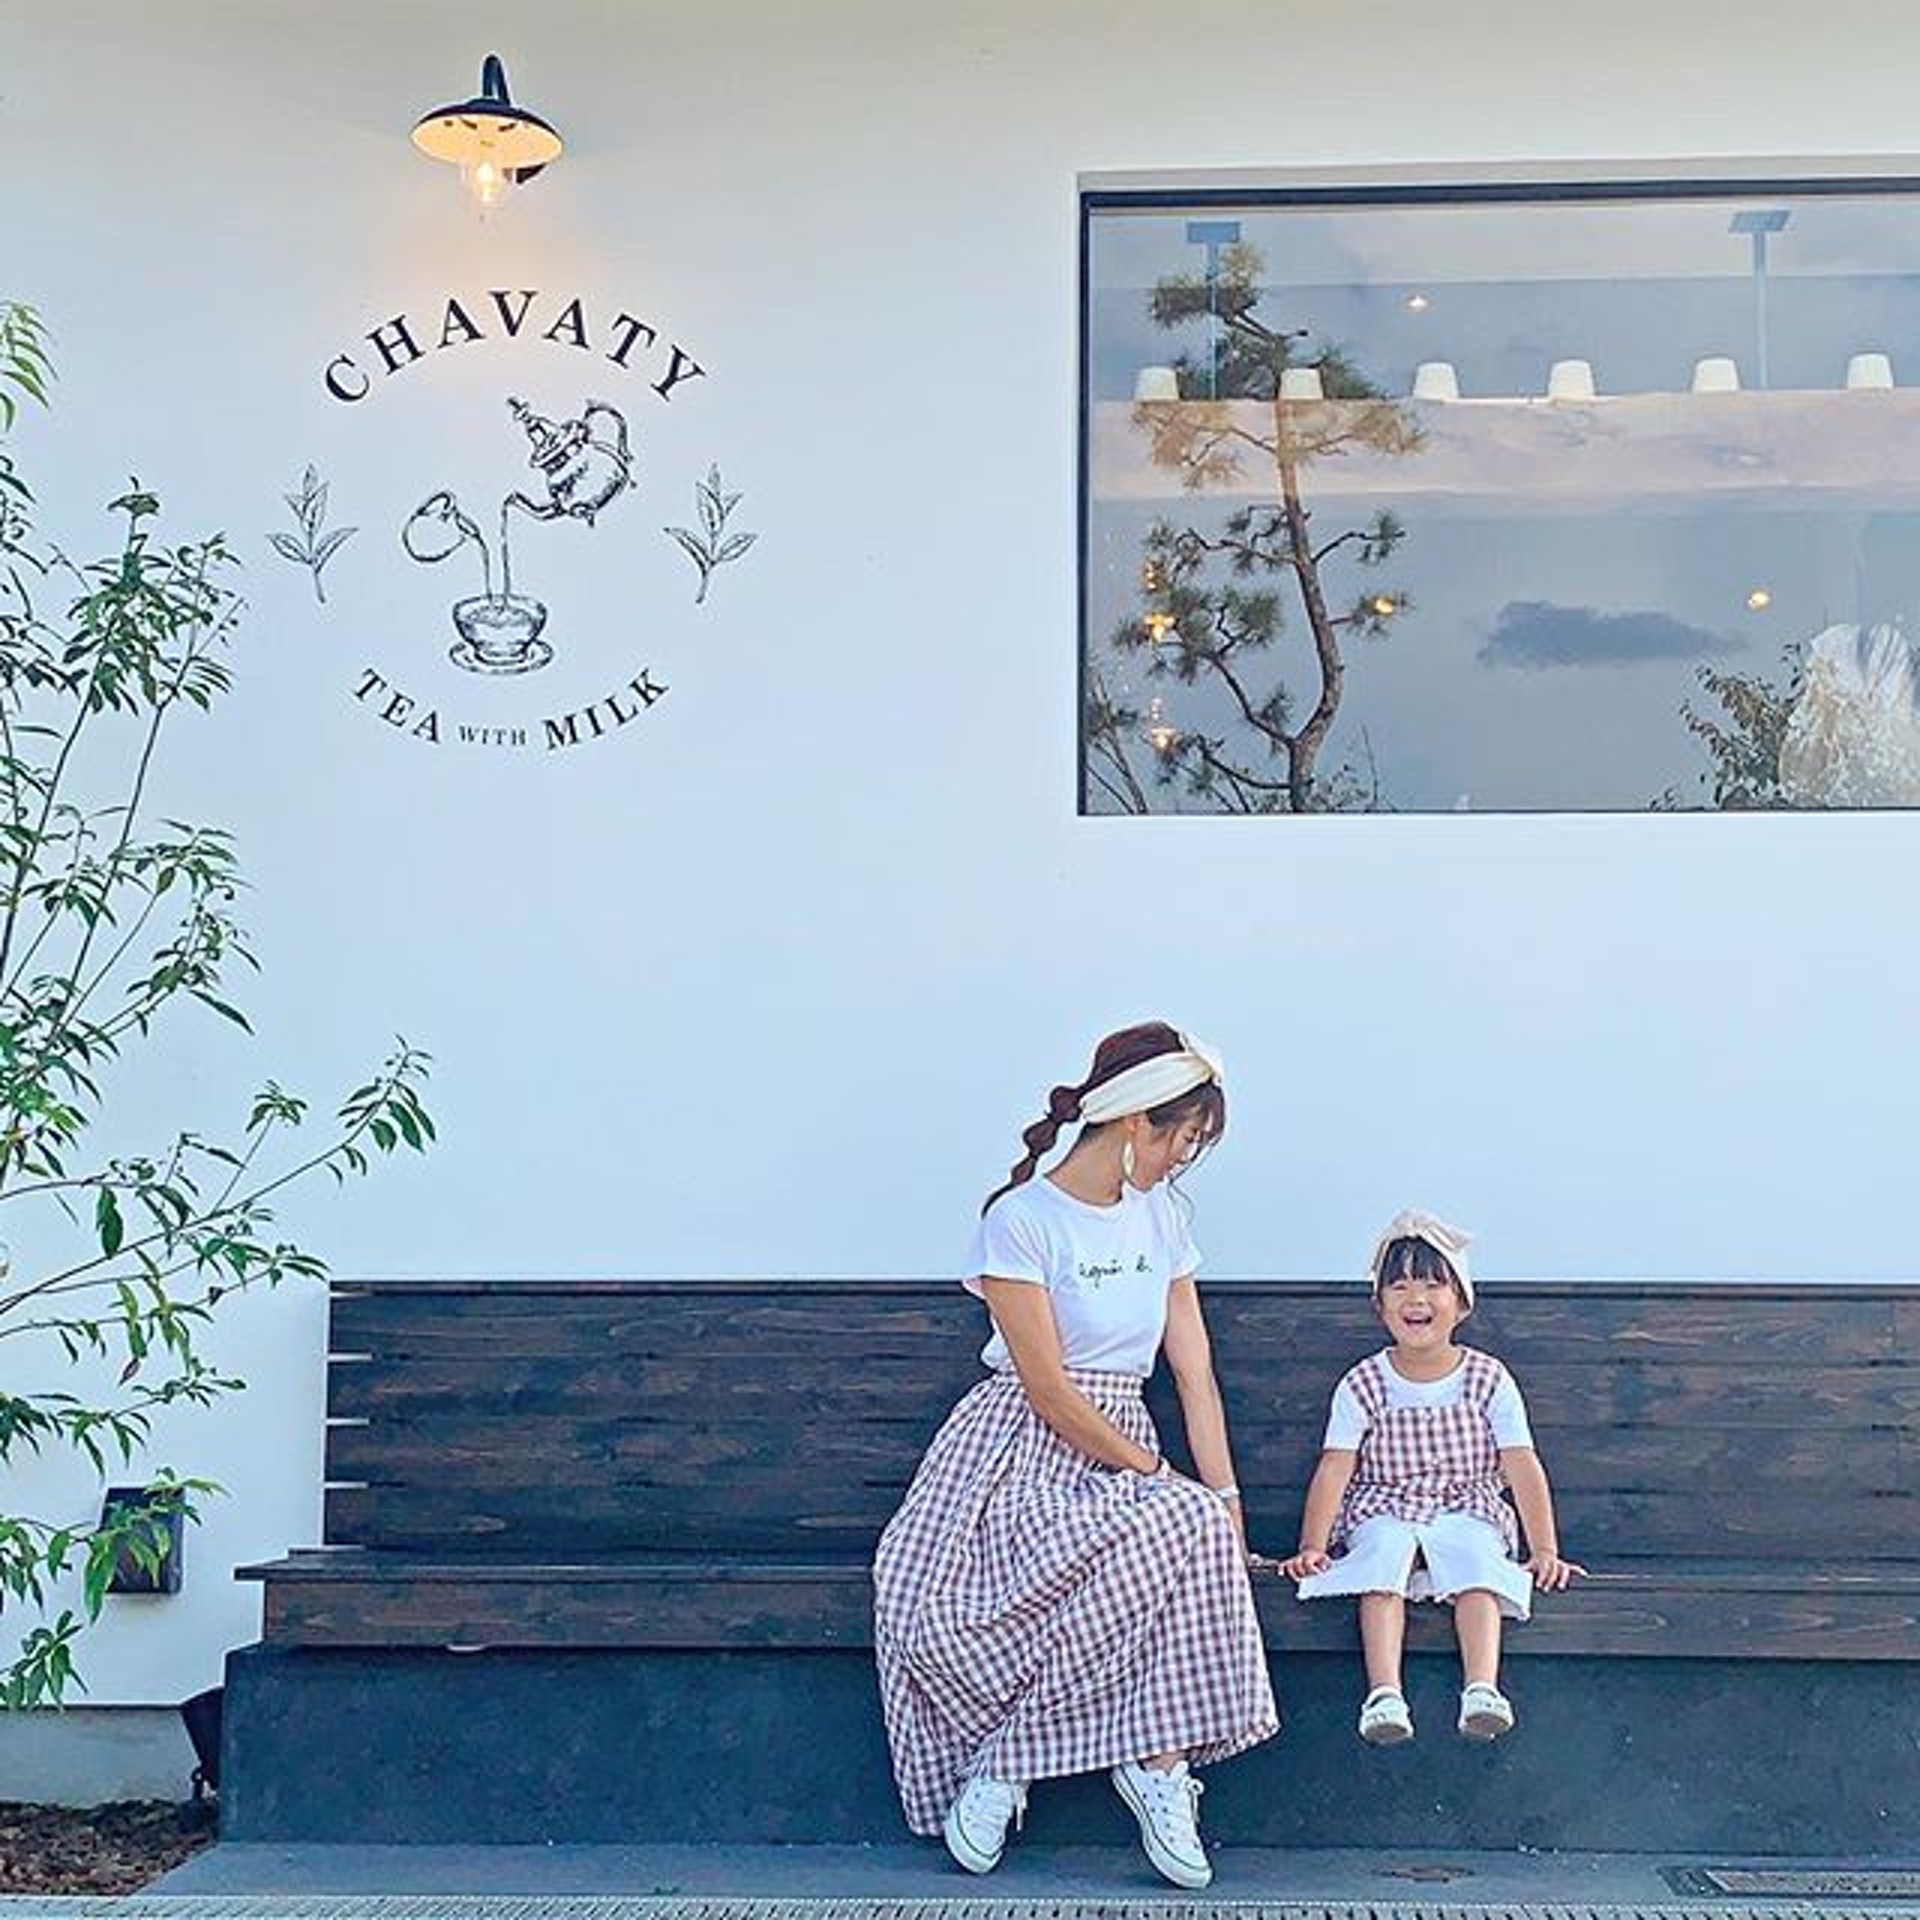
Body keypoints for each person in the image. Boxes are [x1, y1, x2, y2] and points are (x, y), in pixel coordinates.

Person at [873, 1022, 1278, 1890]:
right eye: (1180, 1137)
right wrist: (1158, 1475)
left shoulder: (1162, 1218)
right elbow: (1050, 1392)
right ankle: (1122, 1762)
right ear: (1134, 1121)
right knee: (931, 1590)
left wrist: (1226, 1501)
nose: (1182, 1158)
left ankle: (1076, 1764)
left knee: (1190, 1528)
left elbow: (1194, 1374)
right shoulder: (1022, 1220)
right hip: (1018, 1449)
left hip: (1121, 1444)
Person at [1277, 1208, 1582, 1745]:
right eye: (1399, 1287)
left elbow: (1520, 1463)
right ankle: (1384, 1694)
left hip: (1465, 1505)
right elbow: (1336, 1466)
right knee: (1381, 1559)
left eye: (1432, 1285)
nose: (1415, 1299)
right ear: (1380, 1306)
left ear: (1461, 1303)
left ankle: (1482, 1688)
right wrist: (1312, 1546)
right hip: (1385, 1504)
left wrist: (1545, 1550)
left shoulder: (1488, 1378)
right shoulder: (1364, 1383)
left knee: (1477, 1560)